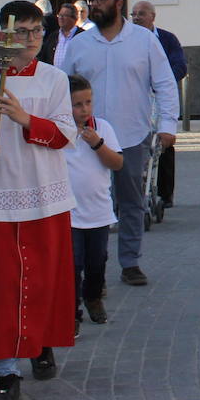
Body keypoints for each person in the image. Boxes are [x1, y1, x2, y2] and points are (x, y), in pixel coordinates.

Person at [0, 0, 76, 398]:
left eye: (38, 31)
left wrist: (25, 119)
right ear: (4, 36)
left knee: (44, 282)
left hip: (44, 195)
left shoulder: (55, 79)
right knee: (1, 287)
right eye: (22, 32)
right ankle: (6, 371)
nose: (32, 39)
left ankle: (40, 347)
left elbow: (64, 134)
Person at [60, 0, 178, 287]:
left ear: (119, 3)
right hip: (84, 139)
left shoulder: (144, 40)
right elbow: (62, 87)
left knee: (131, 201)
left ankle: (130, 262)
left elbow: (165, 83)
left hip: (131, 135)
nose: (93, 4)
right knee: (83, 201)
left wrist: (167, 125)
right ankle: (81, 264)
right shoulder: (80, 44)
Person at [63, 73, 123, 333]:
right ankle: (71, 311)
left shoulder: (103, 128)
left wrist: (97, 144)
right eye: (77, 104)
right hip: (70, 212)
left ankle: (93, 297)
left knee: (97, 261)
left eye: (88, 102)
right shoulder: (59, 133)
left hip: (98, 212)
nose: (84, 109)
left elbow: (117, 163)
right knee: (73, 264)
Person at [131, 1, 186, 208]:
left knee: (163, 144)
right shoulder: (126, 40)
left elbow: (179, 65)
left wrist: (160, 80)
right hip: (137, 101)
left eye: (141, 14)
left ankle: (165, 193)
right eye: (133, 14)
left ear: (152, 17)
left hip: (159, 99)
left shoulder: (167, 39)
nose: (136, 18)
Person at [38, 3, 81, 69]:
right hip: (54, 77)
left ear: (74, 18)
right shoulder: (53, 36)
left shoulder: (82, 36)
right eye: (60, 15)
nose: (61, 18)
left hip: (74, 78)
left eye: (65, 15)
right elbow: (44, 57)